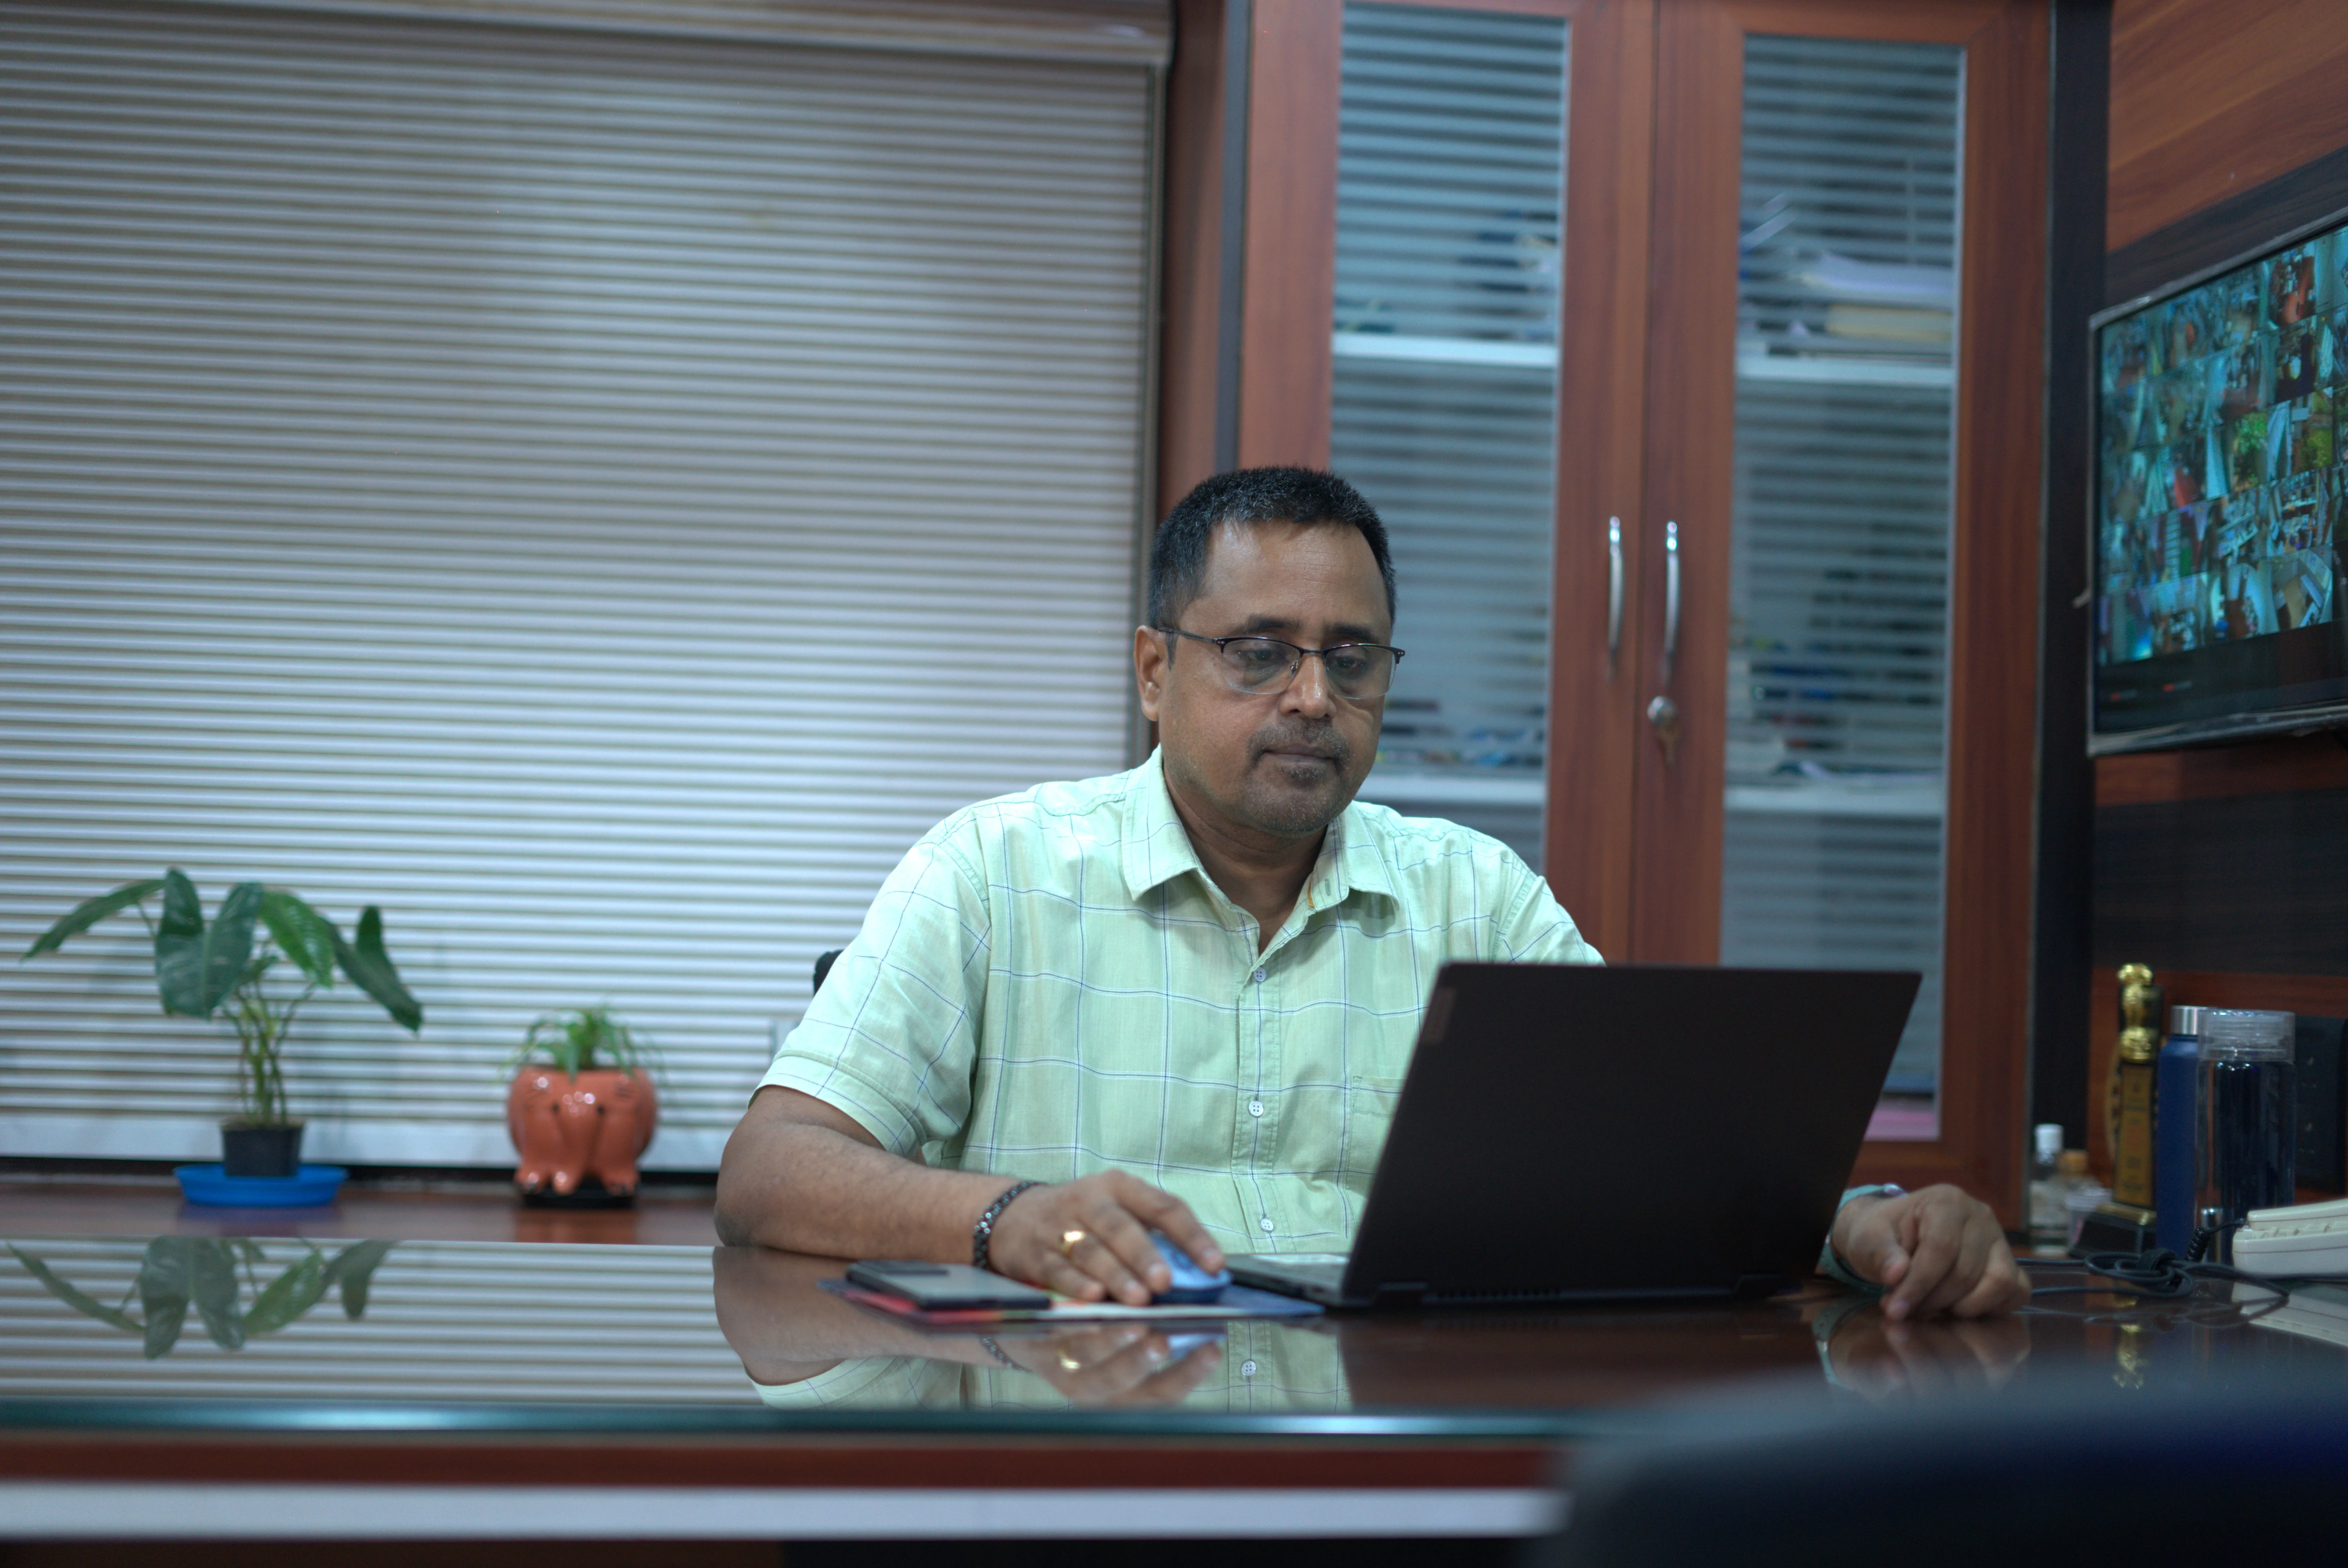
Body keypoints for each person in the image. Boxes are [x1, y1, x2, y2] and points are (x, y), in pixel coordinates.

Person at [716, 467, 2030, 1323]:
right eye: (1257, 653)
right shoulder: (993, 870)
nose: (1310, 696)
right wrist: (1003, 1218)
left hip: (1403, 1446)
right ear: (1153, 672)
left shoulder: (1472, 891)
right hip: (1073, 1448)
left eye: (1350, 657)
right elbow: (770, 1170)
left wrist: (1870, 1226)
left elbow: (1667, 1170)